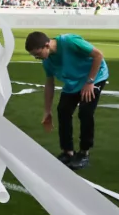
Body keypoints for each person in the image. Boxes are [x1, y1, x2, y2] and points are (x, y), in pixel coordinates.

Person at [26, 31, 109, 170]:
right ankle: (68, 152)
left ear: (47, 45)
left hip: (94, 77)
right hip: (74, 82)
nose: (37, 58)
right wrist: (47, 111)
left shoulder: (69, 42)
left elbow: (98, 55)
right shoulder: (47, 61)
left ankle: (84, 152)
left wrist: (90, 82)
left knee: (85, 111)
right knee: (63, 110)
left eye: (38, 54)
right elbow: (49, 84)